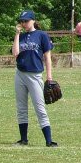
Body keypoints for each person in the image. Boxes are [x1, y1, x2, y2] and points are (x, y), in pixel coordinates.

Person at [12, 9, 58, 147]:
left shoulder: (41, 35)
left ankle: (49, 141)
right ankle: (23, 139)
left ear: (33, 20)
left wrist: (49, 77)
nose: (23, 23)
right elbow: (15, 53)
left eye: (26, 21)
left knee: (40, 108)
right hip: (20, 74)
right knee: (21, 107)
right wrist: (17, 34)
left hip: (35, 75)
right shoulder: (20, 36)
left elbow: (48, 58)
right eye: (22, 21)